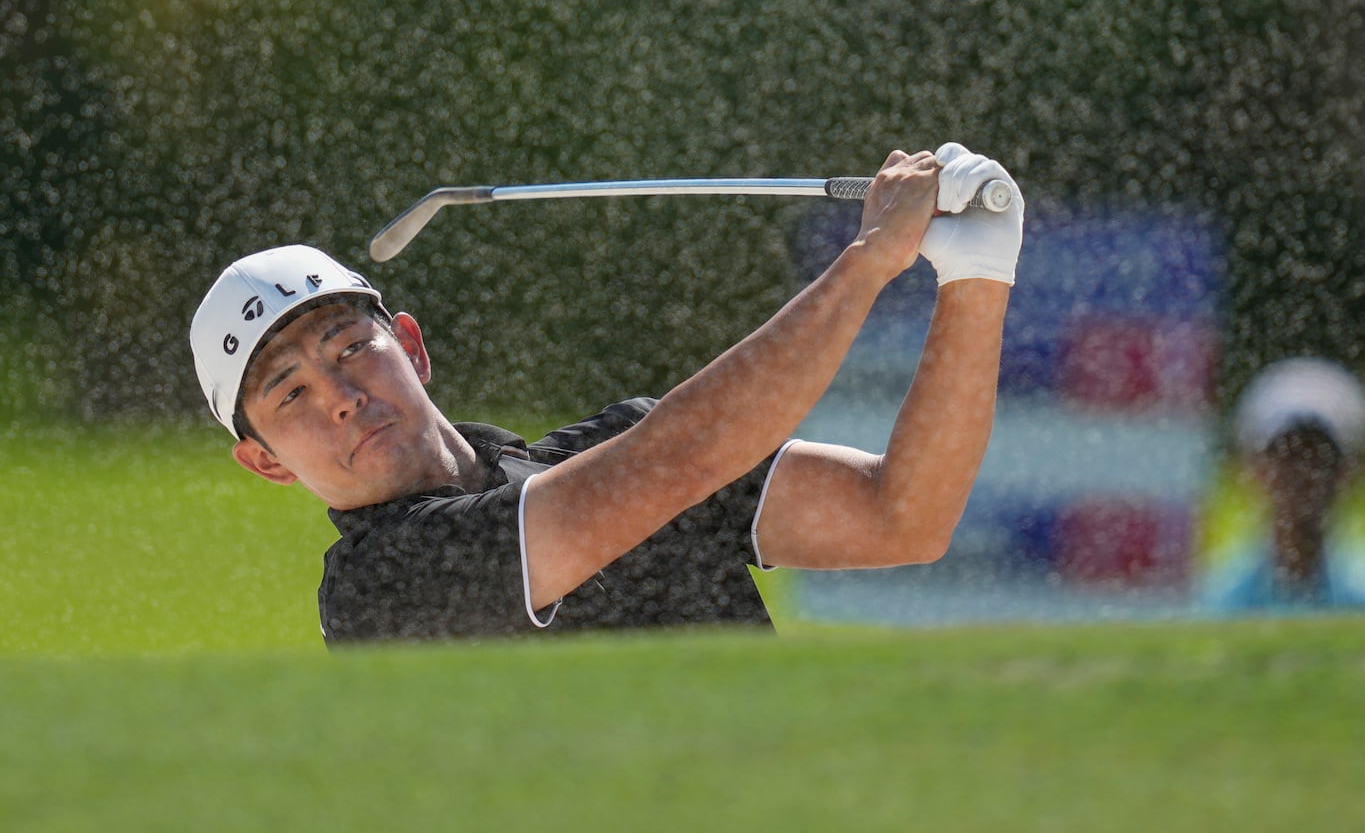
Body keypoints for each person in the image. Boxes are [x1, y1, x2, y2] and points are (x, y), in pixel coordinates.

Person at [189, 145, 1022, 642]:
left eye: (350, 347)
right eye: (290, 393)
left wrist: (976, 275)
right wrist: (871, 256)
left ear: (410, 344)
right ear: (264, 461)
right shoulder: (379, 586)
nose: (338, 394)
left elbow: (902, 514)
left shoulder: (614, 444)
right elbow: (678, 460)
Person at [1197, 358, 1365, 614]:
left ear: (1353, 472)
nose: (1302, 473)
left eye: (1320, 457)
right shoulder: (1204, 607)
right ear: (1249, 468)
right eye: (1286, 455)